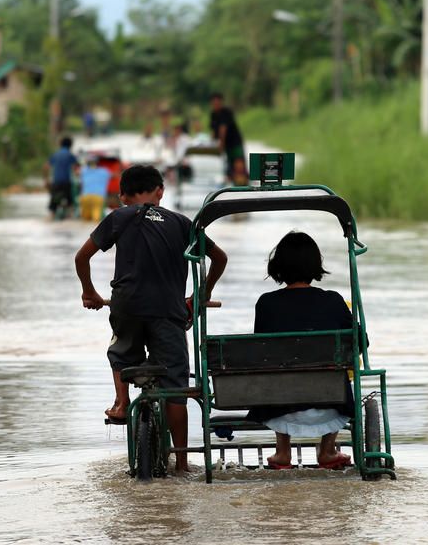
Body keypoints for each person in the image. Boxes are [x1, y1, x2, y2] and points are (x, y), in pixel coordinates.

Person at [74, 165, 228, 474]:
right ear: (160, 191)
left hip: (126, 305)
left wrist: (89, 292)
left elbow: (82, 257)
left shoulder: (119, 216)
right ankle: (183, 463)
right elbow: (219, 258)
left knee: (120, 351)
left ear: (122, 197)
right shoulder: (184, 223)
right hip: (169, 312)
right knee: (174, 386)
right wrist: (200, 296)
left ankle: (120, 403)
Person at [246, 231, 354, 470]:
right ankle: (327, 450)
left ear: (279, 267)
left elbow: (261, 353)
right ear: (315, 265)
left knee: (277, 369)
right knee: (338, 370)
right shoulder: (334, 301)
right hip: (332, 406)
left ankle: (282, 452)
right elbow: (359, 343)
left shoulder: (266, 303)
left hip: (279, 409)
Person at [209, 92, 246, 183]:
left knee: (238, 163)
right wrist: (211, 144)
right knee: (230, 163)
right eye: (214, 103)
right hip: (227, 144)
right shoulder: (213, 114)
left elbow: (223, 130)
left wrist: (221, 146)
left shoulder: (226, 112)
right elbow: (214, 131)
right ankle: (232, 179)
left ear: (221, 102)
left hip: (235, 142)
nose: (216, 105)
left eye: (217, 103)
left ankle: (242, 181)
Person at [44, 136, 78, 217]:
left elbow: (46, 167)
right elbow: (76, 169)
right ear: (71, 145)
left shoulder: (55, 154)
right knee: (70, 205)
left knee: (53, 207)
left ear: (60, 144)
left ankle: (52, 215)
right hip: (67, 183)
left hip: (56, 183)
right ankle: (69, 216)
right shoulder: (70, 155)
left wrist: (46, 180)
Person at [78, 157, 112, 222]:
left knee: (85, 219)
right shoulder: (104, 171)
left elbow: (79, 177)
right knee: (96, 219)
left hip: (85, 196)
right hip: (98, 197)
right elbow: (114, 175)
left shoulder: (84, 171)